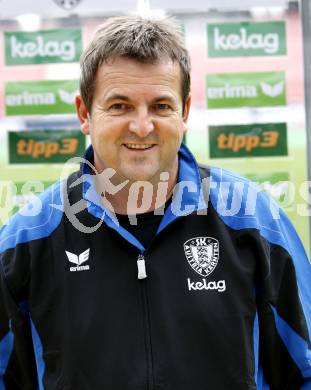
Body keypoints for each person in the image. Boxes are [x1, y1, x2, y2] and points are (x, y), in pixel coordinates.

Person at [0, 15, 310, 390]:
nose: (142, 126)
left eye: (161, 106)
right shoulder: (25, 241)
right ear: (85, 114)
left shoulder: (254, 220)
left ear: (185, 112)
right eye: (119, 106)